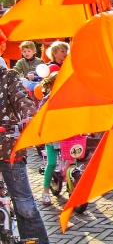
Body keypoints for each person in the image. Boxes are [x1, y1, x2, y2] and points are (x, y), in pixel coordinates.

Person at [0, 37, 62, 244]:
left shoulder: (8, 77)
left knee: (24, 202)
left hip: (8, 149)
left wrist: (28, 116)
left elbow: (21, 99)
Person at [39, 73, 59, 206]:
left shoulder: (71, 98)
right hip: (52, 134)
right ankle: (45, 191)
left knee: (74, 160)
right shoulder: (47, 99)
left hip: (68, 134)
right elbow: (40, 114)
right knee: (51, 163)